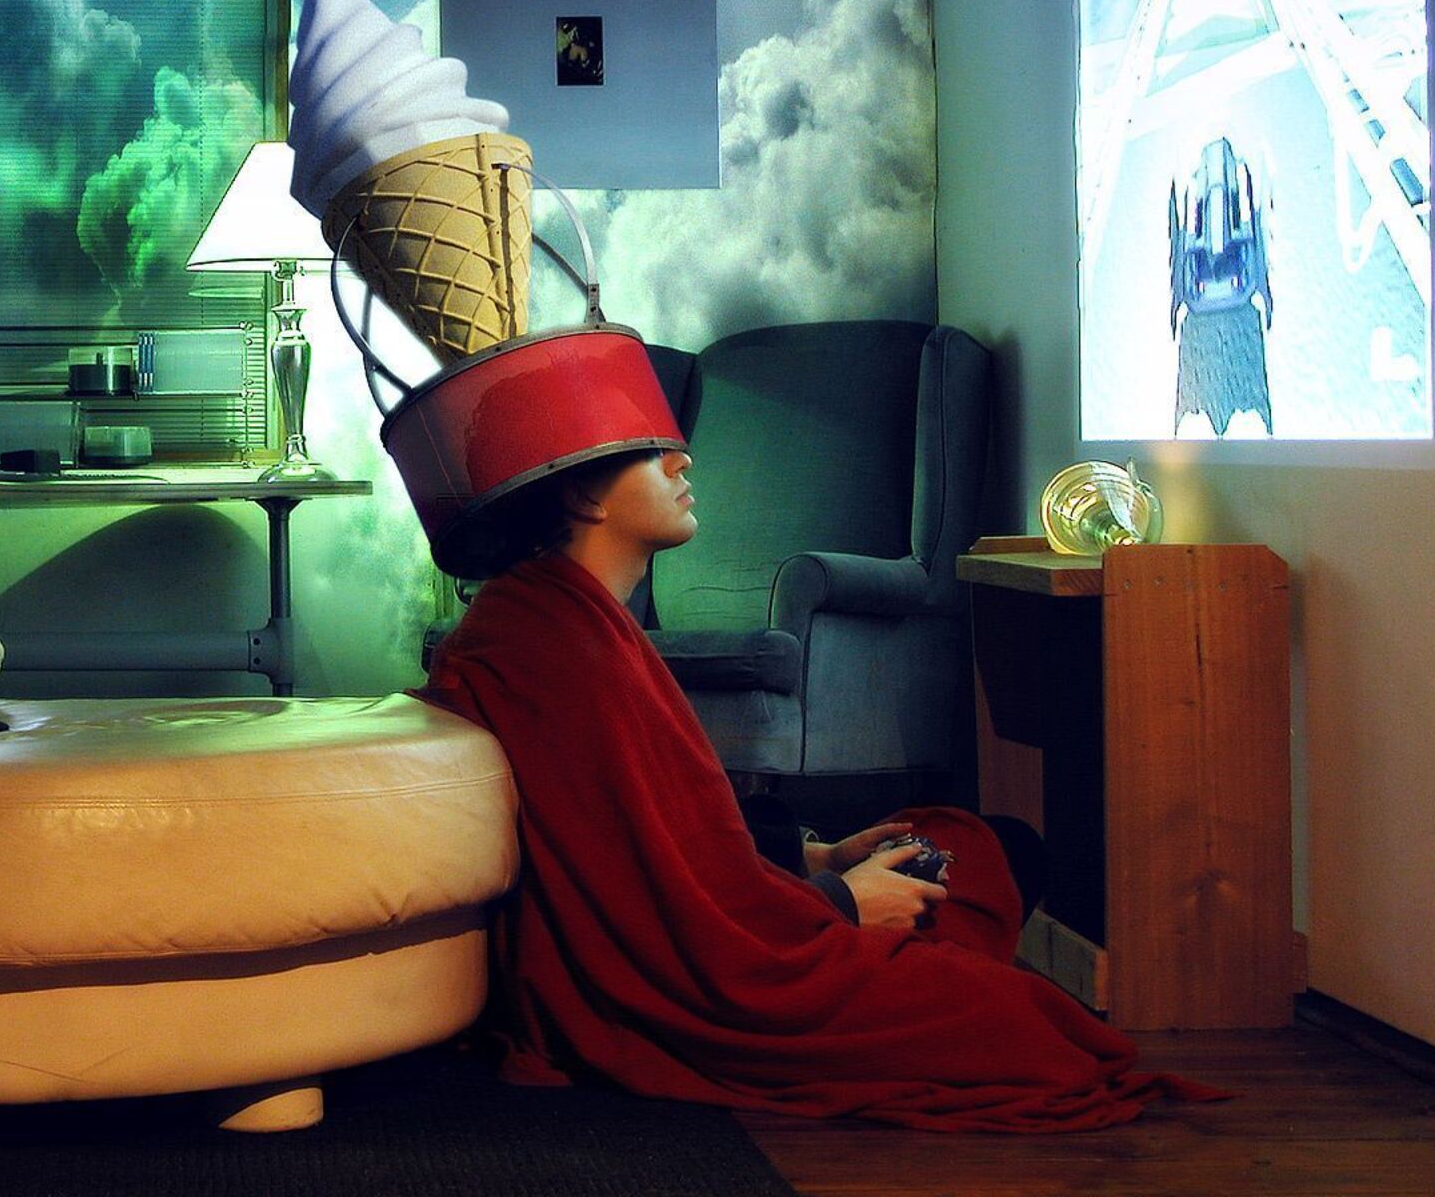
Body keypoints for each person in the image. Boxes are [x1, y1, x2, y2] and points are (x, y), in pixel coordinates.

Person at [420, 445, 1221, 1132]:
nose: (682, 459)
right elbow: (655, 913)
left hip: (760, 909)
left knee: (980, 843)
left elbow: (661, 836)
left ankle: (908, 936)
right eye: (650, 451)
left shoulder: (571, 618)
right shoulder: (558, 644)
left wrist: (816, 858)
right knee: (1038, 1028)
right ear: (583, 496)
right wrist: (838, 905)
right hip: (735, 974)